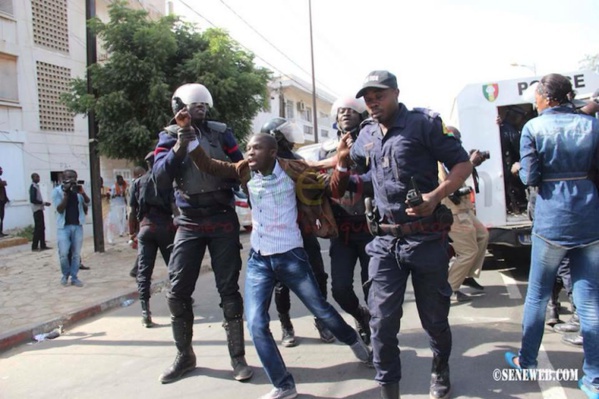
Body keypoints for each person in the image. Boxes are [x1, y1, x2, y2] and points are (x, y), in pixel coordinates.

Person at [182, 119, 372, 399]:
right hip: (260, 260)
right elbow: (210, 166)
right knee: (256, 323)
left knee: (321, 310)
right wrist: (189, 138)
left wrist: (342, 160)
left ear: (272, 152)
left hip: (292, 256)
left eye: (256, 148)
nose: (249, 152)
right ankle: (284, 384)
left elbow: (329, 182)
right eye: (247, 148)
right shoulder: (244, 171)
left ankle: (352, 339)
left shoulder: (294, 170)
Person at [351, 70, 472, 399]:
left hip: (425, 239)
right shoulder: (366, 133)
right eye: (368, 97)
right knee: (382, 321)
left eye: (380, 95)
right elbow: (354, 166)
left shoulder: (424, 123)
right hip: (384, 242)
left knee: (434, 319)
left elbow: (462, 164)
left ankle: (440, 366)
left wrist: (435, 197)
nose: (373, 102)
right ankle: (389, 390)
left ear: (396, 93)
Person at [503, 73, 599, 399]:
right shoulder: (592, 126)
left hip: (552, 221)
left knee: (538, 296)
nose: (534, 102)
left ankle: (527, 360)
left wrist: (517, 168)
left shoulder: (533, 128)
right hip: (589, 218)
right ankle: (594, 378)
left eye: (537, 97)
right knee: (589, 301)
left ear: (547, 97)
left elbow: (531, 177)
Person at [153, 83, 252, 384]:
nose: (202, 109)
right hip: (189, 222)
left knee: (229, 292)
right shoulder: (168, 137)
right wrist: (181, 143)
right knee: (177, 291)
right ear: (179, 106)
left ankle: (238, 358)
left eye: (204, 105)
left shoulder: (221, 132)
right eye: (196, 104)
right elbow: (160, 176)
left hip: (222, 219)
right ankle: (185, 355)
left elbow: (242, 167)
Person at [259, 117, 334, 347]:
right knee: (282, 282)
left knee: (319, 276)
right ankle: (285, 325)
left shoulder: (300, 161)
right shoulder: (265, 167)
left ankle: (322, 320)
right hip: (281, 234)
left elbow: (315, 190)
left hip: (304, 229)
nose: (291, 138)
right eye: (286, 134)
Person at [325, 97, 373, 345]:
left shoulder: (372, 143)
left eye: (351, 111)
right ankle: (360, 315)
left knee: (372, 287)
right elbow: (320, 182)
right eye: (341, 111)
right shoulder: (326, 150)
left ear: (361, 116)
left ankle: (376, 338)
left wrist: (357, 154)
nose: (345, 114)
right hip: (340, 230)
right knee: (340, 290)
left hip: (369, 227)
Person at [441, 126, 489, 303]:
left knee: (483, 235)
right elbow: (448, 186)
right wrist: (471, 163)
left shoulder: (453, 159)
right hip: (452, 211)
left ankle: (466, 274)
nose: (458, 143)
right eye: (455, 139)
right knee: (468, 251)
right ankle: (448, 290)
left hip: (463, 208)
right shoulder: (439, 161)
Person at [130, 152, 176, 328]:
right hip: (165, 227)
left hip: (145, 228)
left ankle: (145, 312)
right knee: (173, 267)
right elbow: (174, 207)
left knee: (144, 272)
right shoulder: (167, 182)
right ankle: (177, 302)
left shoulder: (137, 183)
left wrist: (131, 233)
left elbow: (132, 212)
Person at [51, 169, 90, 287]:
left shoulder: (78, 191)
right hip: (63, 227)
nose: (72, 180)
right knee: (63, 253)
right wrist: (66, 195)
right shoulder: (57, 191)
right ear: (63, 179)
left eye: (74, 178)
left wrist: (82, 193)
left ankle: (74, 277)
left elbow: (87, 203)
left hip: (77, 226)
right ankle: (65, 274)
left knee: (76, 254)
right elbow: (59, 209)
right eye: (69, 177)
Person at [127, 166, 147, 279]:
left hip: (139, 219)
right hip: (140, 219)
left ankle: (137, 269)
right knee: (144, 247)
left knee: (143, 247)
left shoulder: (137, 185)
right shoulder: (136, 186)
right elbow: (133, 210)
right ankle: (137, 270)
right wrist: (132, 231)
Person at [29, 173, 52, 251]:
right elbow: (33, 199)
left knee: (42, 227)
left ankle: (43, 245)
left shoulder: (36, 186)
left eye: (38, 177)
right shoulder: (33, 187)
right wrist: (43, 203)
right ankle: (34, 246)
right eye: (36, 177)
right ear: (33, 178)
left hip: (39, 209)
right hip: (36, 209)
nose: (38, 178)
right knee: (38, 228)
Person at [106, 175, 128, 243]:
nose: (121, 181)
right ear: (117, 180)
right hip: (117, 204)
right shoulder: (113, 187)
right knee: (119, 218)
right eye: (120, 179)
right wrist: (117, 194)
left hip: (123, 204)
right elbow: (111, 196)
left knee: (124, 218)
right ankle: (121, 232)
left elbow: (127, 195)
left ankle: (123, 231)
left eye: (122, 179)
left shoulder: (125, 186)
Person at [0, 166, 9, 237]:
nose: (1, 171)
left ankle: (1, 231)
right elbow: (3, 184)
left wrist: (6, 198)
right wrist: (3, 183)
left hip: (2, 201)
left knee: (2, 217)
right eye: (0, 170)